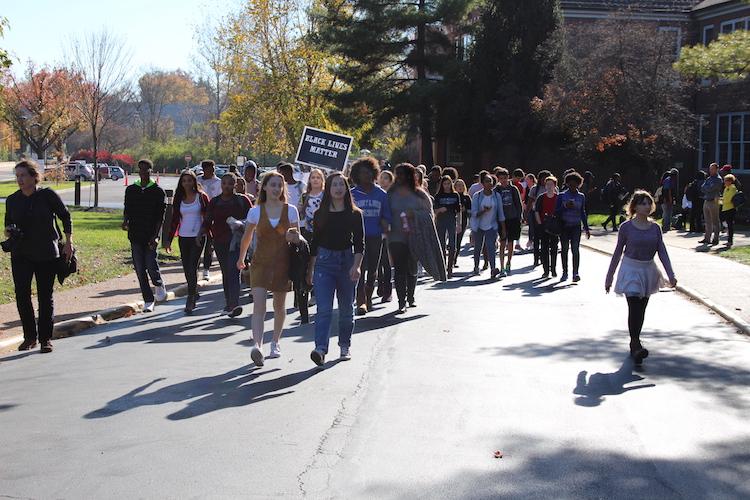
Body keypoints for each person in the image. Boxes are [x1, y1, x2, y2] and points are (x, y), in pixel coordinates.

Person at [5, 160, 73, 352]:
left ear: (34, 177)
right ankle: (29, 337)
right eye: (17, 176)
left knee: (45, 296)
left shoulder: (47, 195)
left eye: (23, 175)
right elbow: (7, 225)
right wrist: (10, 232)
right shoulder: (12, 200)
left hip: (46, 253)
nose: (20, 179)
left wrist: (69, 242)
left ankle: (45, 339)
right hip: (21, 254)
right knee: (22, 296)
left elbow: (65, 216)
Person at [605, 190, 677, 367]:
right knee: (634, 305)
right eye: (643, 203)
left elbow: (662, 251)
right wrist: (609, 276)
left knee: (641, 308)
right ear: (634, 206)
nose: (647, 206)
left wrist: (671, 274)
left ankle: (635, 341)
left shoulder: (655, 228)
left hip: (647, 270)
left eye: (649, 203)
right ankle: (636, 343)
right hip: (630, 269)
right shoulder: (626, 227)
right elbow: (617, 253)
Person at [237, 171, 301, 366]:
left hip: (283, 264)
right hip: (260, 263)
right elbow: (247, 237)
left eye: (279, 185)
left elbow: (298, 238)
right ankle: (258, 345)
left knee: (279, 307)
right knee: (259, 307)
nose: (276, 188)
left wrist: (293, 237)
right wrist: (241, 258)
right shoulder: (255, 212)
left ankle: (275, 342)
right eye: (272, 185)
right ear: (264, 187)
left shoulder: (290, 211)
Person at [307, 173, 365, 365]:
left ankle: (344, 345)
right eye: (334, 185)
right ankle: (320, 349)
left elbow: (359, 243)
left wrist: (356, 266)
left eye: (341, 185)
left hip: (347, 262)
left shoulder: (355, 214)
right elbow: (314, 243)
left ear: (346, 189)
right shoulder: (319, 214)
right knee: (324, 309)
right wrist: (310, 270)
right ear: (328, 189)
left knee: (346, 309)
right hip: (324, 263)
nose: (338, 188)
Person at [202, 173, 253, 317]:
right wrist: (202, 234)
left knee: (234, 270)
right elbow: (207, 220)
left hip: (237, 241)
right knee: (226, 272)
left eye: (230, 183)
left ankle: (234, 303)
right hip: (220, 241)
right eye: (224, 183)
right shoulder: (215, 202)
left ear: (235, 185)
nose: (227, 186)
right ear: (221, 184)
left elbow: (252, 218)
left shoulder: (242, 201)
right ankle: (228, 303)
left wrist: (240, 225)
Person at [388, 163, 434, 313]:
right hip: (396, 237)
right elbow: (384, 212)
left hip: (415, 236)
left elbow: (429, 214)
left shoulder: (419, 194)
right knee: (399, 269)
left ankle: (411, 297)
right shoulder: (391, 193)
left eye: (403, 174)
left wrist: (414, 214)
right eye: (398, 174)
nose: (400, 177)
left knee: (411, 267)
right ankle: (401, 301)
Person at [123, 159, 167, 313]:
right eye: (140, 170)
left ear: (151, 171)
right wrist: (125, 221)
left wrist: (156, 236)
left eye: (146, 170)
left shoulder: (157, 191)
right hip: (135, 234)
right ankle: (148, 300)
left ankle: (158, 283)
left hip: (150, 235)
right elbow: (127, 209)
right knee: (140, 269)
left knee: (150, 264)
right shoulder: (131, 190)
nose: (143, 173)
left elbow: (160, 217)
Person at [350, 157, 392, 314]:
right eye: (362, 173)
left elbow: (388, 216)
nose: (366, 175)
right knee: (359, 269)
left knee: (373, 270)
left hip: (375, 238)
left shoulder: (381, 194)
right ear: (356, 175)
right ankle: (361, 301)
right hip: (357, 239)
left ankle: (369, 297)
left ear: (374, 173)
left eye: (369, 172)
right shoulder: (352, 194)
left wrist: (385, 224)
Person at [165, 170, 210, 314]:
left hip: (198, 237)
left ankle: (190, 298)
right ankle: (194, 290)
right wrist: (169, 240)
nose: (187, 183)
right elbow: (174, 220)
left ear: (194, 181)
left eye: (189, 180)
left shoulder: (201, 197)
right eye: (184, 181)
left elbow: (208, 218)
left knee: (192, 265)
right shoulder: (179, 198)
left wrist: (204, 234)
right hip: (183, 237)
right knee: (187, 267)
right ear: (181, 183)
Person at [555, 171, 591, 282]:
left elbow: (582, 212)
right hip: (564, 225)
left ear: (578, 184)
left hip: (576, 226)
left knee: (575, 249)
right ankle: (565, 272)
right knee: (564, 249)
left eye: (575, 184)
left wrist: (586, 228)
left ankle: (575, 272)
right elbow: (556, 211)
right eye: (570, 184)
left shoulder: (581, 196)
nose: (572, 186)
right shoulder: (562, 196)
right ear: (567, 184)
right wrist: (565, 206)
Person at [470, 174, 506, 277]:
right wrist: (483, 211)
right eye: (486, 181)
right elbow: (474, 213)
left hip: (492, 225)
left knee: (491, 246)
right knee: (478, 247)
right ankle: (476, 266)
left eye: (490, 181)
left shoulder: (496, 196)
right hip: (479, 225)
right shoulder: (477, 196)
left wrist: (503, 228)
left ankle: (493, 268)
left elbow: (500, 212)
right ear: (482, 183)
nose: (489, 183)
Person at [494, 168, 523, 276]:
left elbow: (518, 204)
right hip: (502, 219)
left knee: (511, 242)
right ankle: (501, 266)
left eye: (505, 178)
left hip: (513, 218)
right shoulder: (496, 190)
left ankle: (509, 262)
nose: (503, 180)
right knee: (502, 241)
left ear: (508, 177)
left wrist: (519, 216)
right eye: (501, 178)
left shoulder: (513, 189)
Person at [433, 175, 462, 278]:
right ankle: (442, 266)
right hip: (441, 221)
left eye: (449, 183)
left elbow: (458, 211)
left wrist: (459, 224)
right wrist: (440, 210)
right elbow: (434, 211)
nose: (447, 186)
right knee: (441, 244)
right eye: (445, 184)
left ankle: (450, 267)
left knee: (452, 245)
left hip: (451, 221)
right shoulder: (438, 196)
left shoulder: (455, 195)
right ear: (442, 185)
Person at [198, 160, 222, 280]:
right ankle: (196, 267)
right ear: (204, 169)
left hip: (213, 215)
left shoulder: (218, 182)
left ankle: (206, 268)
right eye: (209, 168)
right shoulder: (198, 181)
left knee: (209, 243)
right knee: (198, 242)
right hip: (199, 215)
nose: (212, 170)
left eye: (213, 168)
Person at [535, 175, 559, 279]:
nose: (549, 186)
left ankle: (553, 268)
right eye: (547, 184)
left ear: (555, 186)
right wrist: (540, 223)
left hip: (554, 226)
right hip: (543, 225)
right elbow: (536, 211)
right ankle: (546, 270)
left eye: (551, 184)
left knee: (554, 248)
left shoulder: (558, 198)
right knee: (544, 249)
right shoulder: (541, 197)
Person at [376, 170, 395, 302]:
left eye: (385, 178)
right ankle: (380, 283)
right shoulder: (375, 193)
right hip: (376, 231)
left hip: (390, 231)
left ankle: (388, 290)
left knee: (386, 261)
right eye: (381, 177)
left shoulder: (392, 195)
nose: (382, 180)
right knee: (377, 262)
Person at [299, 168, 325, 243]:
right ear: (309, 180)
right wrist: (300, 209)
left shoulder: (326, 194)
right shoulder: (304, 196)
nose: (315, 180)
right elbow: (301, 216)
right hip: (308, 232)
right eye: (313, 177)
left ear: (322, 180)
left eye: (318, 177)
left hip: (324, 232)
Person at [700, 163, 723, 245]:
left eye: (712, 169)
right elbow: (702, 188)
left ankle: (716, 239)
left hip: (714, 201)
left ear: (717, 169)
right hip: (706, 200)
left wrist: (707, 188)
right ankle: (707, 238)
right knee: (707, 221)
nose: (710, 170)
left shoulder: (718, 179)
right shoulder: (709, 178)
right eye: (710, 169)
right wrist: (707, 188)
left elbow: (711, 188)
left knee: (715, 221)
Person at [454, 179, 472, 268]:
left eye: (462, 185)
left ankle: (454, 259)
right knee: (451, 241)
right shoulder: (453, 196)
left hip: (463, 220)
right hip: (452, 220)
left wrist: (466, 210)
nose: (460, 187)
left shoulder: (466, 197)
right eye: (458, 185)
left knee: (458, 240)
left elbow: (471, 210)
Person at [721, 174, 738, 248]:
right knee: (726, 224)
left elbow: (729, 199)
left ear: (730, 181)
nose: (724, 182)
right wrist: (719, 201)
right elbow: (724, 198)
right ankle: (728, 239)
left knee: (730, 225)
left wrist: (722, 200)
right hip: (725, 208)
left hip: (731, 208)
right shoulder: (726, 188)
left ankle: (730, 241)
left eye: (726, 180)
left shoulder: (732, 188)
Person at [524, 173, 538, 253]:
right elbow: (526, 199)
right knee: (531, 225)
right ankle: (530, 241)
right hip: (530, 209)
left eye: (527, 179)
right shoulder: (527, 188)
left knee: (536, 226)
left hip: (536, 209)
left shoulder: (536, 188)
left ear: (532, 179)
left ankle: (535, 241)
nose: (526, 181)